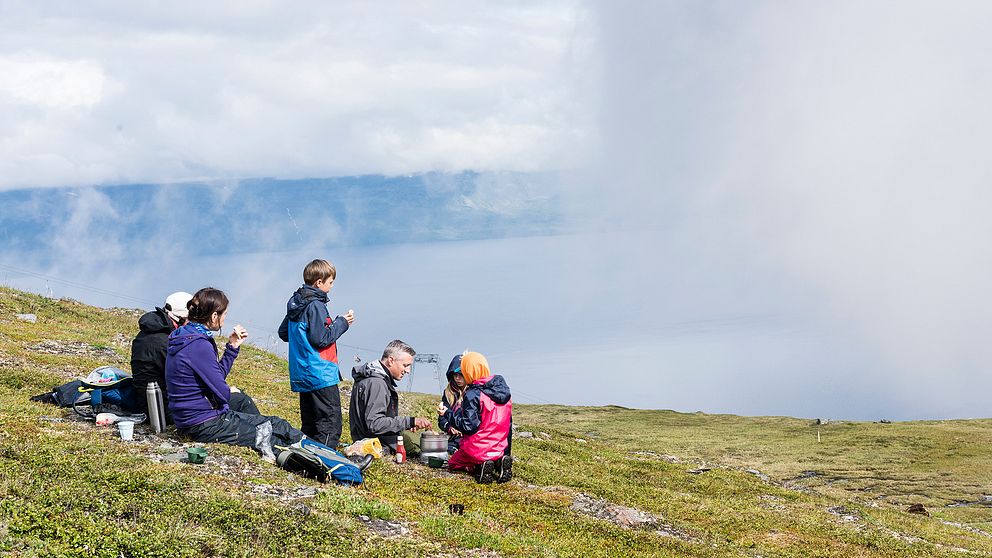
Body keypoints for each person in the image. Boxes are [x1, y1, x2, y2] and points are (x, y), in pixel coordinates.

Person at [165, 287, 302, 455]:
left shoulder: (185, 335)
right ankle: (315, 457)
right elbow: (222, 393)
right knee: (277, 431)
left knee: (263, 417)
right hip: (202, 423)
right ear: (214, 316)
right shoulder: (199, 344)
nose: (225, 318)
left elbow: (214, 376)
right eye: (225, 314)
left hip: (190, 417)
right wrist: (227, 390)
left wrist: (232, 348)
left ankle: (265, 436)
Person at [131, 291, 259, 423]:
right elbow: (207, 385)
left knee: (235, 397)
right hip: (166, 410)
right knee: (241, 400)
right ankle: (263, 431)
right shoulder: (173, 342)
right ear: (181, 317)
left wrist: (232, 348)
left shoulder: (151, 333)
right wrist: (223, 390)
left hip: (149, 403)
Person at [278, 259, 355, 448]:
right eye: (330, 282)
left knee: (311, 423)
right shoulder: (316, 306)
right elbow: (321, 339)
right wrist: (342, 322)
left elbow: (283, 333)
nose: (332, 286)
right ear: (319, 282)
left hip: (302, 372)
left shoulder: (296, 303)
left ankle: (307, 456)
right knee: (330, 423)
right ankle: (325, 462)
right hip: (320, 372)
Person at [349, 339, 431, 453]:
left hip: (372, 439)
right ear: (391, 360)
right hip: (376, 443)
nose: (407, 371)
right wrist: (410, 422)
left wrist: (407, 424)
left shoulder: (373, 378)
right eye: (405, 365)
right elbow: (375, 424)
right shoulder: (377, 383)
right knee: (420, 445)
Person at [445, 351, 513, 484]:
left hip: (477, 449)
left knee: (453, 463)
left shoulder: (473, 394)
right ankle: (499, 462)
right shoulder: (503, 391)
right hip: (499, 447)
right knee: (492, 453)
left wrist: (447, 414)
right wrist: (506, 452)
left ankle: (477, 467)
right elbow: (508, 426)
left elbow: (469, 426)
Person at [437, 354, 466, 454]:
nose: (457, 378)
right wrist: (449, 428)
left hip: (469, 435)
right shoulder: (448, 393)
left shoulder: (474, 393)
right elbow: (442, 418)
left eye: (461, 374)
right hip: (452, 437)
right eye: (455, 375)